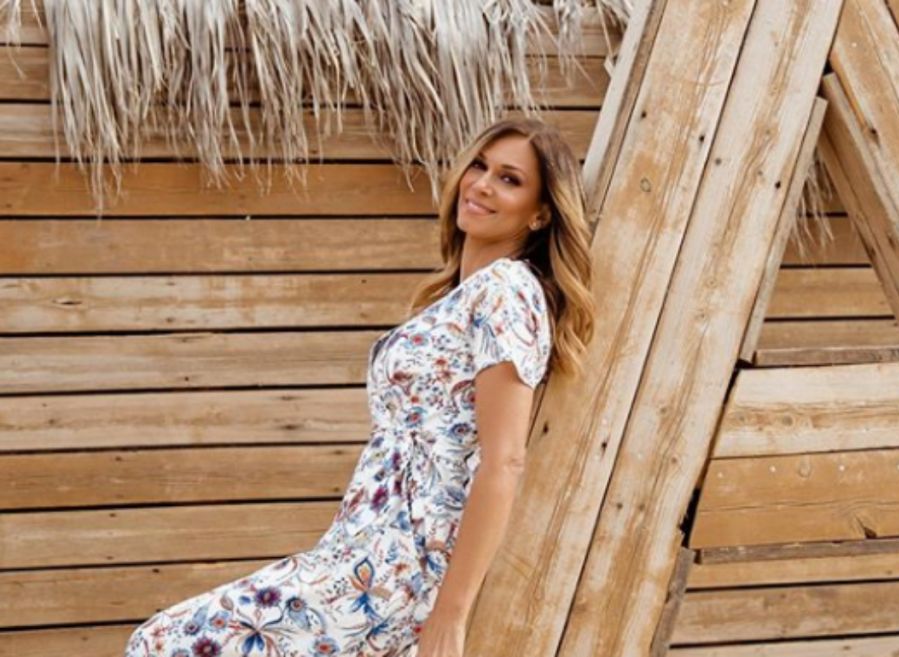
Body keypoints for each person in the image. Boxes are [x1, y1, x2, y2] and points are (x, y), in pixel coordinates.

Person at [124, 117, 595, 657]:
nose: (483, 184)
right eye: (480, 166)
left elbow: (504, 460)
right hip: (358, 546)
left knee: (164, 643)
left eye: (510, 179)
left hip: (397, 566)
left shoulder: (506, 290)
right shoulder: (459, 298)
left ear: (540, 214)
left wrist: (450, 613)